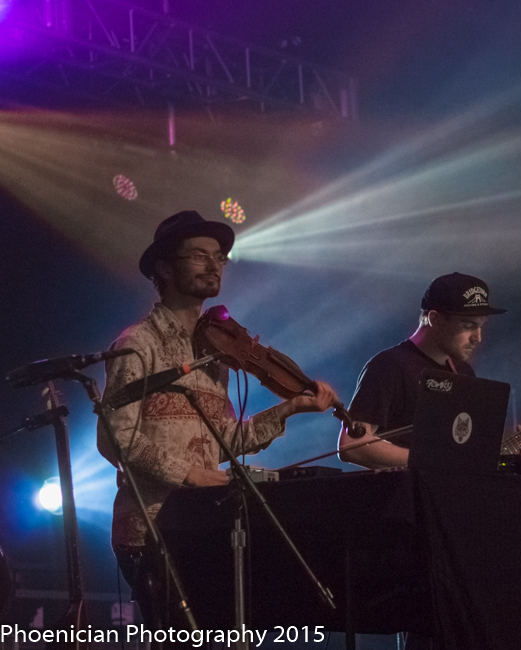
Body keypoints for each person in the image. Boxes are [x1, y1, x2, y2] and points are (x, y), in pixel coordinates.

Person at [97, 210, 340, 594]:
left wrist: (288, 408)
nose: (214, 265)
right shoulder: (137, 345)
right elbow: (115, 437)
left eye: (219, 257)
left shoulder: (215, 354)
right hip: (152, 528)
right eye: (198, 255)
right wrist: (189, 474)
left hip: (203, 523)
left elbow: (224, 438)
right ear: (163, 267)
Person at [338, 272, 521, 469]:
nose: (478, 337)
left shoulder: (463, 372)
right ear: (435, 319)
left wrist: (517, 458)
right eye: (468, 325)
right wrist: (433, 462)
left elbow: (465, 454)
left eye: (481, 325)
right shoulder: (389, 366)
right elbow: (351, 446)